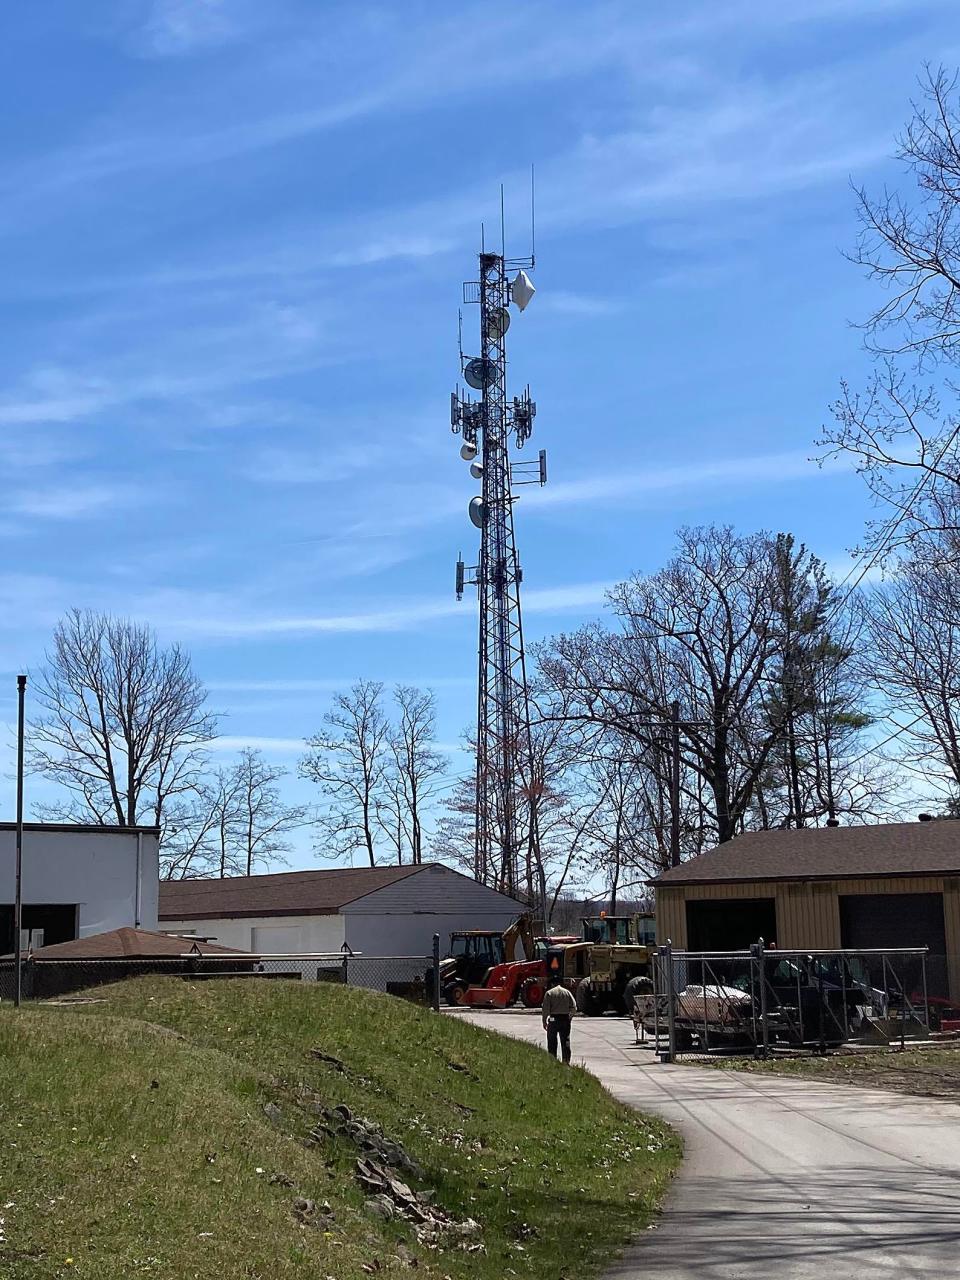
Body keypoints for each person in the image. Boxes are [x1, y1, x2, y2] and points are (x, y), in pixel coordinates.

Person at [541, 979, 577, 1064]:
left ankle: (552, 1060)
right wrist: (570, 1017)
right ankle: (566, 1061)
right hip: (565, 1019)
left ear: (552, 984)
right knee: (565, 1041)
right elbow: (574, 1007)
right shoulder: (567, 992)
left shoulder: (549, 993)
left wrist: (544, 1021)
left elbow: (545, 1009)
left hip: (553, 1019)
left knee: (552, 1041)